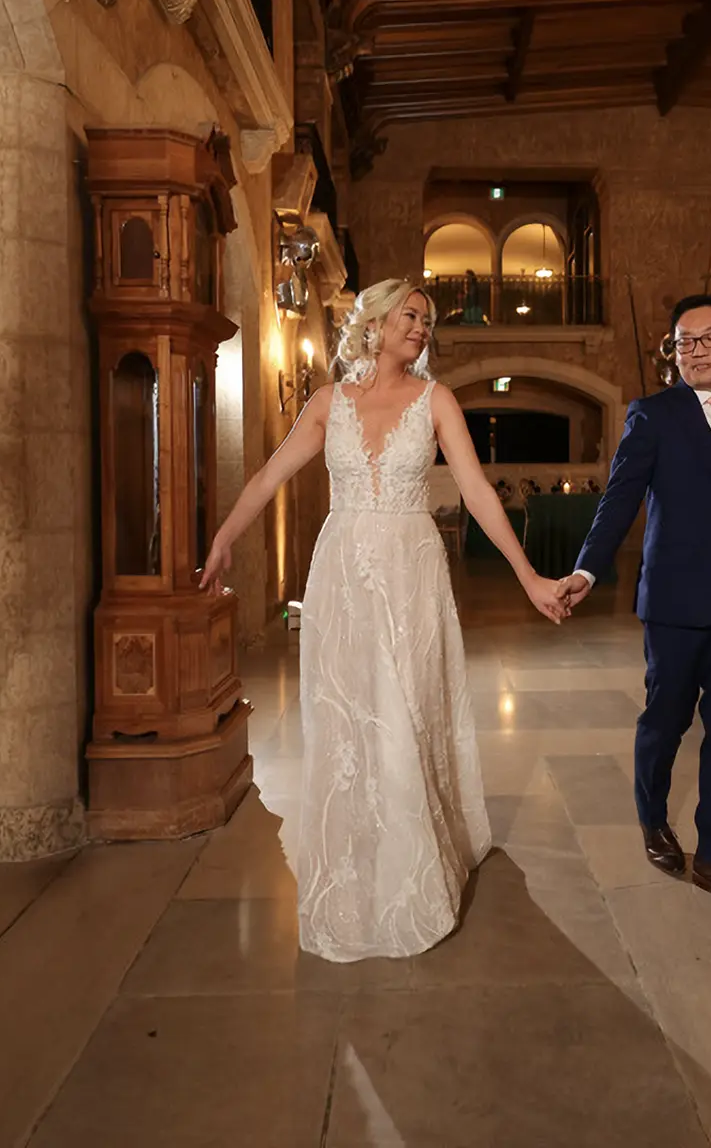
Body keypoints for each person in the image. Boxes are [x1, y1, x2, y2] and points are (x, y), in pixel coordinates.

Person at [198, 278, 568, 962]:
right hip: (342, 575)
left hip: (411, 572)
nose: (423, 328)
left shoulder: (438, 402)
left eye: (427, 320)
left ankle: (414, 870)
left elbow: (480, 494)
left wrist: (528, 577)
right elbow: (267, 478)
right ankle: (359, 858)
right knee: (348, 715)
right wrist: (224, 537)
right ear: (373, 323)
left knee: (406, 711)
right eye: (411, 315)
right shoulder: (324, 404)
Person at [555, 294, 711, 921]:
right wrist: (586, 567)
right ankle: (653, 818)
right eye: (685, 342)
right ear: (673, 352)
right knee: (667, 721)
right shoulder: (653, 416)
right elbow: (620, 499)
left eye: (710, 338)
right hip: (678, 603)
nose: (697, 350)